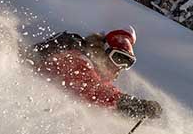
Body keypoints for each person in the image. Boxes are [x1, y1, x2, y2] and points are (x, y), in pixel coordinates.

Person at [29, 26, 163, 119]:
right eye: (117, 58)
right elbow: (93, 90)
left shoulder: (94, 71)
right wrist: (129, 104)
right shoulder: (77, 58)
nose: (119, 67)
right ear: (103, 49)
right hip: (32, 102)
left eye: (125, 63)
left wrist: (131, 111)